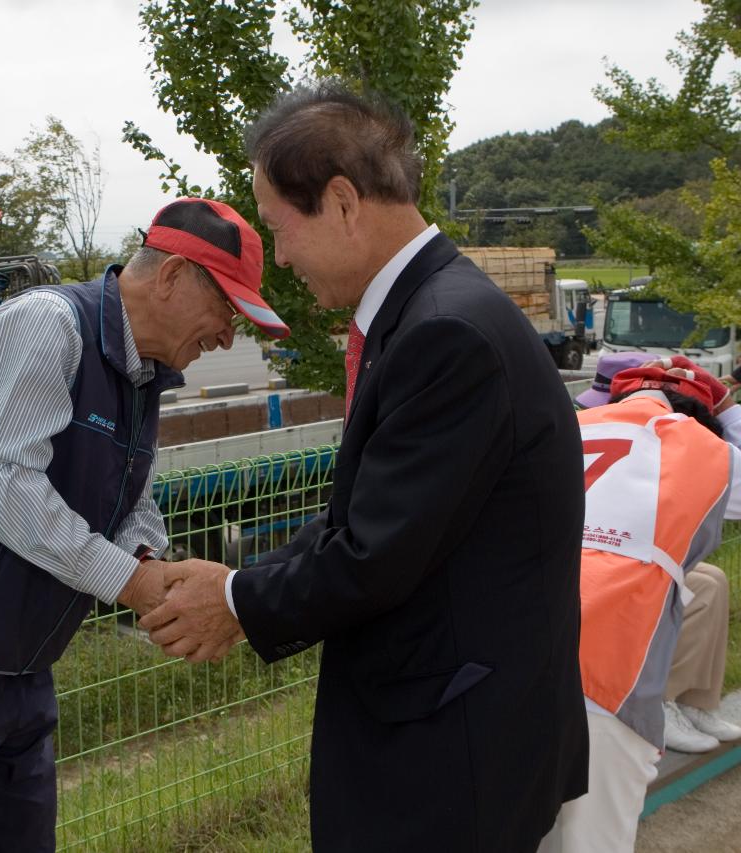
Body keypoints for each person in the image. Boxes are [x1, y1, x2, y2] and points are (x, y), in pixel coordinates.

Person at [141, 80, 589, 852]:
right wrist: (240, 579)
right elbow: (372, 513)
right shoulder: (431, 313)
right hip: (459, 731)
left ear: (344, 203)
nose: (279, 256)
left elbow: (377, 554)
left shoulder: (445, 334)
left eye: (282, 227)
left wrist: (239, 599)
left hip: (451, 755)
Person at [0, 197, 290, 851]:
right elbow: (3, 485)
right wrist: (130, 583)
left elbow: (132, 506)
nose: (224, 338)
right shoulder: (47, 326)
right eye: (226, 311)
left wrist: (151, 563)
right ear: (173, 277)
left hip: (26, 670)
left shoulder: (143, 377)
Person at [539, 358, 741, 852]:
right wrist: (730, 411)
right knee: (595, 840)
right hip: (609, 682)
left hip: (501, 665)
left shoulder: (561, 429)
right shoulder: (705, 449)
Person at [575, 353, 741, 755]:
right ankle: (661, 703)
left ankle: (691, 700)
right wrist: (729, 412)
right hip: (604, 608)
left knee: (710, 582)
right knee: (681, 585)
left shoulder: (571, 427)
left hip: (559, 587)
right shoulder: (682, 447)